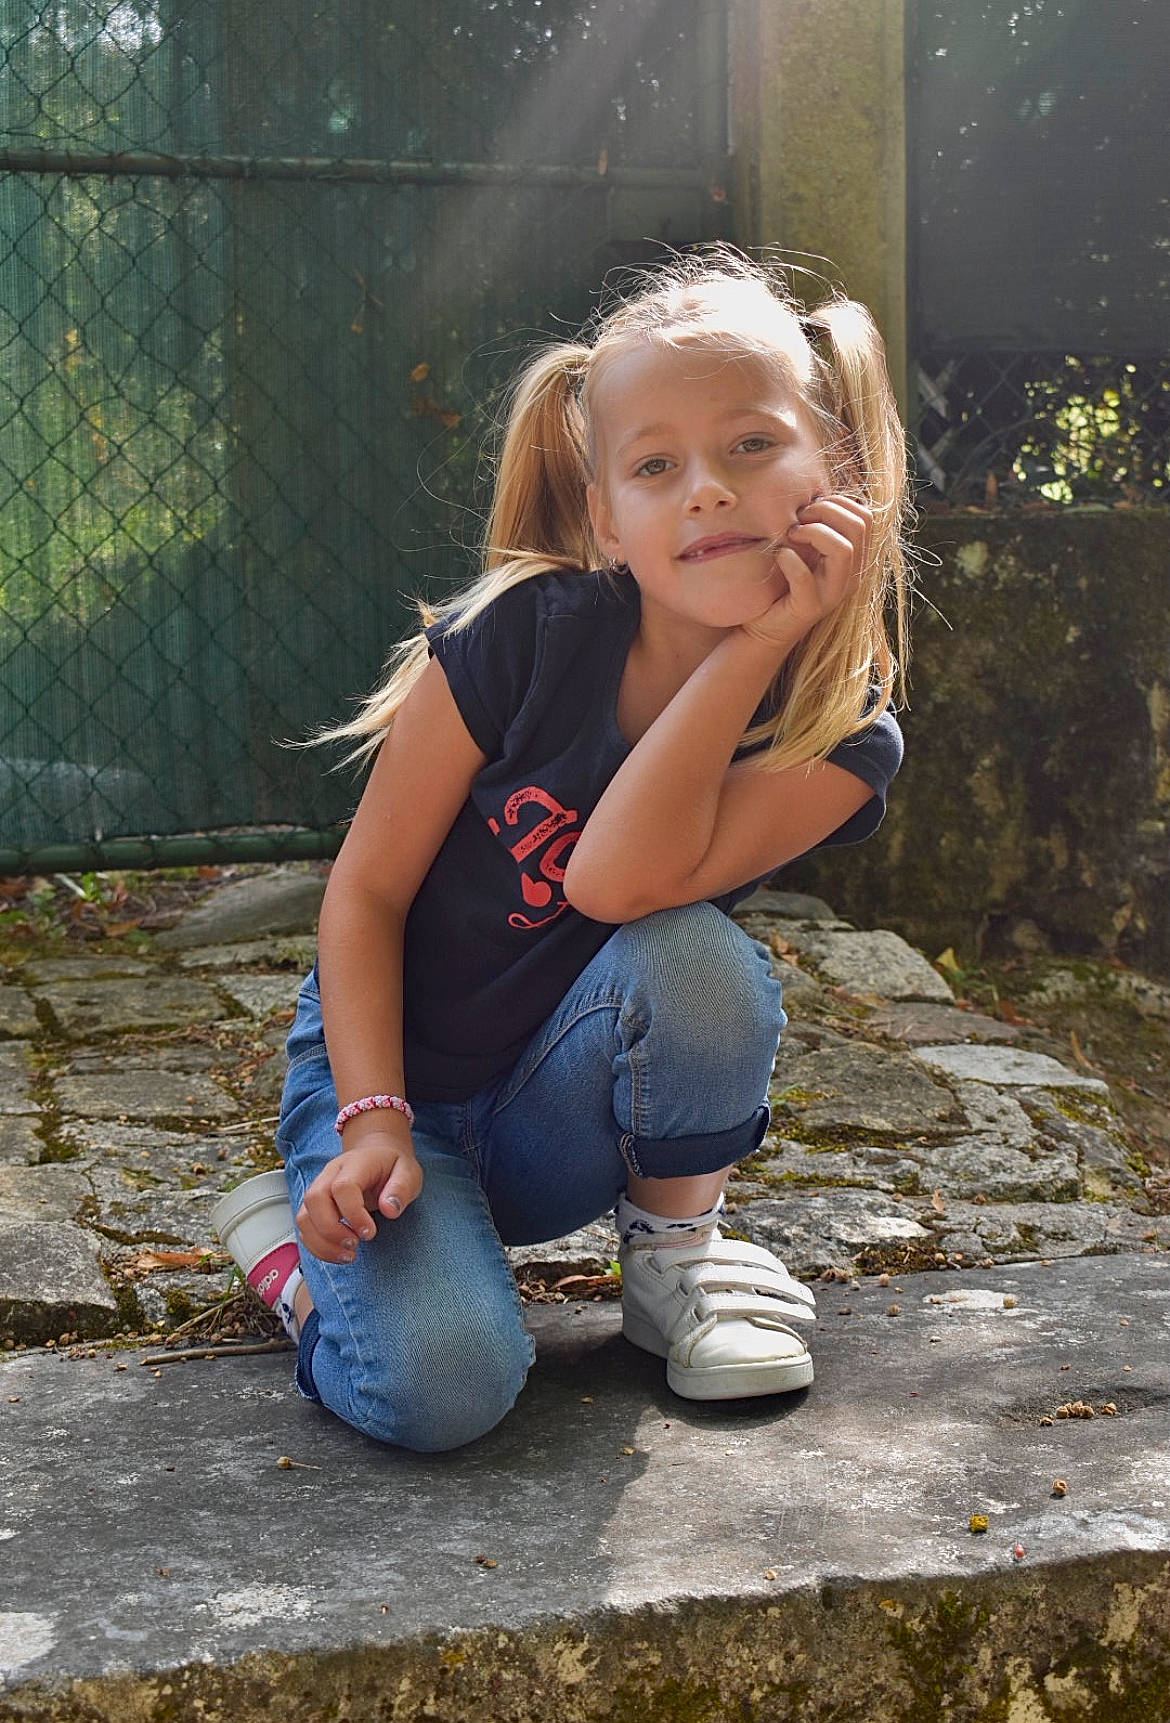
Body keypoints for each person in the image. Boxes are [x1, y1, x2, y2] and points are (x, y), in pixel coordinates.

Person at [212, 249, 910, 1453]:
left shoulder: (836, 731)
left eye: (752, 445)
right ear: (606, 519)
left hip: (562, 1117)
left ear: (836, 468)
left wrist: (755, 646)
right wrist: (371, 1118)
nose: (706, 491)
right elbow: (367, 893)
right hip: (394, 1099)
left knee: (694, 956)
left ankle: (675, 1265)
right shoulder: (513, 639)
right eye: (655, 466)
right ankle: (289, 1255)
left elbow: (617, 883)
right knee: (444, 1393)